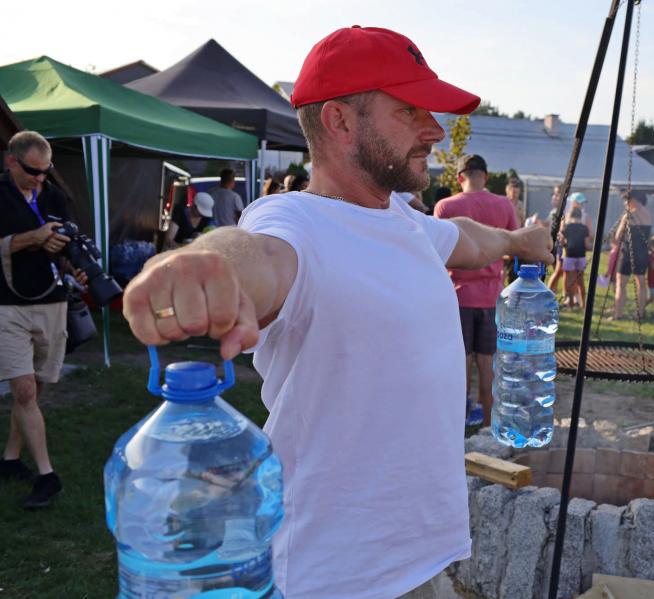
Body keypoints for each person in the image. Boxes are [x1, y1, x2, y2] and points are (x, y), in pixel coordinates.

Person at [121, 25, 552, 599]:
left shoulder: (402, 219)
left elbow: (467, 239)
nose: (433, 129)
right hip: (334, 573)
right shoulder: (296, 221)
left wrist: (520, 240)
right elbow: (257, 256)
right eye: (409, 111)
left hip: (421, 559)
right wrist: (205, 266)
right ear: (340, 121)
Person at [0, 131, 86, 509]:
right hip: (8, 305)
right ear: (11, 161)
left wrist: (76, 266)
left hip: (52, 301)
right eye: (33, 171)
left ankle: (9, 459)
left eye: (45, 170)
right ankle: (48, 477)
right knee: (24, 391)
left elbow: (67, 242)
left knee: (35, 387)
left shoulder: (54, 194)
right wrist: (32, 237)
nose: (40, 178)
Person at [434, 154, 519, 429]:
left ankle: (457, 423)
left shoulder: (446, 206)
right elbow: (515, 245)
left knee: (460, 363)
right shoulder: (504, 204)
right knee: (487, 363)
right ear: (486, 176)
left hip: (457, 296)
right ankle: (488, 423)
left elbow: (437, 253)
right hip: (492, 295)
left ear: (460, 177)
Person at [612, 192, 652, 320]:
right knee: (641, 283)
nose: (625, 204)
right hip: (642, 253)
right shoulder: (648, 215)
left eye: (626, 201)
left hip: (628, 252)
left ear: (633, 200)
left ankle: (618, 313)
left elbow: (618, 236)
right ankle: (640, 313)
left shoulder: (628, 215)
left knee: (621, 284)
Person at [560, 206, 592, 309]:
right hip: (581, 256)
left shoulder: (567, 227)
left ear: (570, 215)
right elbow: (586, 244)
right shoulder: (584, 228)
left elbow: (562, 242)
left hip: (569, 255)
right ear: (580, 216)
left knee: (570, 280)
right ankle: (583, 304)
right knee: (580, 280)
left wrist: (565, 244)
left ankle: (570, 303)